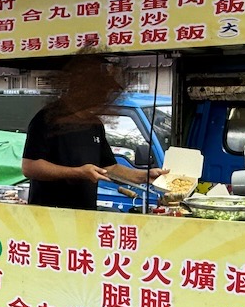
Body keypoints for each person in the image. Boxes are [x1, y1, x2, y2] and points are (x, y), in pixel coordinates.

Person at [22, 54, 164, 210]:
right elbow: (30, 167)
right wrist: (78, 172)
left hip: (85, 214)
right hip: (50, 214)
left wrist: (145, 176)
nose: (105, 96)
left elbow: (110, 168)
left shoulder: (94, 124)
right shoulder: (47, 119)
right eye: (101, 90)